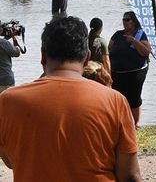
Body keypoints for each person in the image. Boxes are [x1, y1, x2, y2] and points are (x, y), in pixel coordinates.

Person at [0, 16, 141, 181]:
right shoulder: (115, 101)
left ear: (43, 56)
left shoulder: (8, 101)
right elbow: (130, 175)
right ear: (87, 58)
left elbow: (10, 160)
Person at [109, 11, 151, 128]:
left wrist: (134, 41)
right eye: (123, 20)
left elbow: (146, 51)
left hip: (135, 72)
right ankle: (120, 122)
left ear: (134, 22)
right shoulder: (118, 34)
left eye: (127, 20)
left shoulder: (139, 34)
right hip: (116, 72)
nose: (124, 22)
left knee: (134, 97)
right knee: (118, 97)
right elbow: (109, 48)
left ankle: (136, 124)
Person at [0, 24, 23, 93]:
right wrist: (14, 39)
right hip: (5, 81)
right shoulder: (4, 43)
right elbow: (17, 53)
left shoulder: (4, 43)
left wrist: (6, 39)